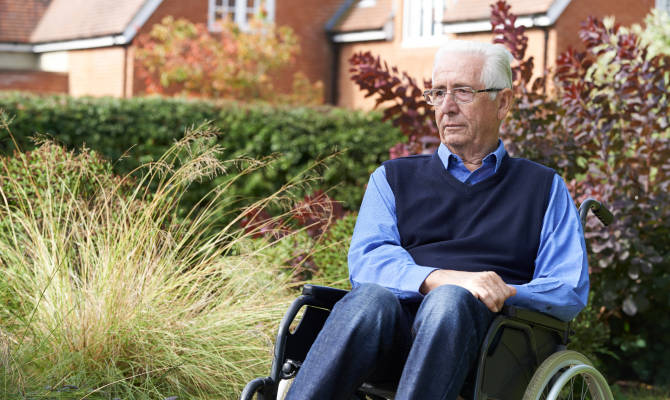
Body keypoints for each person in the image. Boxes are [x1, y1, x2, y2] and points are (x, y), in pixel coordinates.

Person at [285, 40, 588, 400]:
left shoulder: (542, 187)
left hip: (490, 345)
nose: (446, 107)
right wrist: (442, 278)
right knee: (368, 298)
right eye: (438, 92)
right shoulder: (393, 178)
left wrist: (503, 291)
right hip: (392, 341)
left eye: (462, 92)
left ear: (502, 102)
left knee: (449, 302)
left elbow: (567, 287)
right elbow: (368, 261)